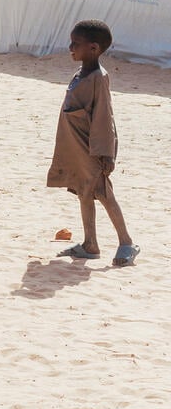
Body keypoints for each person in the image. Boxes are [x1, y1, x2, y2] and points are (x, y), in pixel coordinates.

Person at [48, 20, 138, 266]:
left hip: (93, 151)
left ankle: (127, 242)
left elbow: (103, 117)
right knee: (83, 193)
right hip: (78, 149)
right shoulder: (81, 73)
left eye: (76, 44)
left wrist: (106, 154)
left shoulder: (98, 77)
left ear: (94, 48)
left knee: (104, 194)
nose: (70, 47)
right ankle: (90, 244)